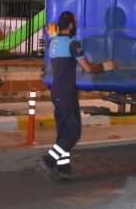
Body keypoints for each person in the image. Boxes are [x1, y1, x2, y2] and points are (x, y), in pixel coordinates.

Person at [36, 10, 114, 182]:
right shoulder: (73, 45)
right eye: (76, 22)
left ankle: (64, 169)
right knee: (73, 133)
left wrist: (52, 35)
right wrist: (106, 66)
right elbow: (88, 68)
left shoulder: (53, 43)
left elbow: (52, 41)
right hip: (67, 94)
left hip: (56, 92)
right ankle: (48, 160)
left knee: (63, 132)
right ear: (71, 25)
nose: (76, 24)